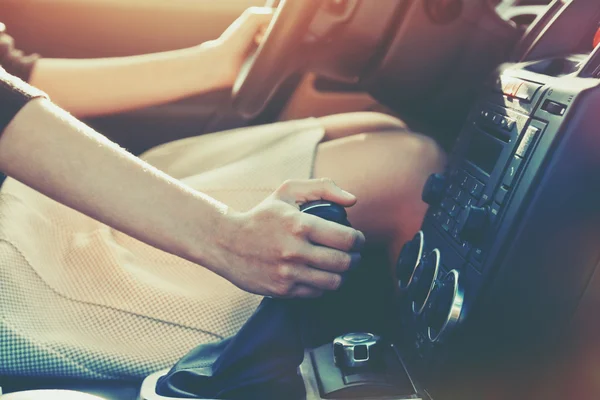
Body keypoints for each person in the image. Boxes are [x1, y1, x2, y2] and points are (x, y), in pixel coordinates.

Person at [0, 8, 445, 379]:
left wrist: (214, 62)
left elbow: (12, 77)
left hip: (35, 191)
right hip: (19, 263)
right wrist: (225, 237)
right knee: (408, 173)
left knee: (375, 129)